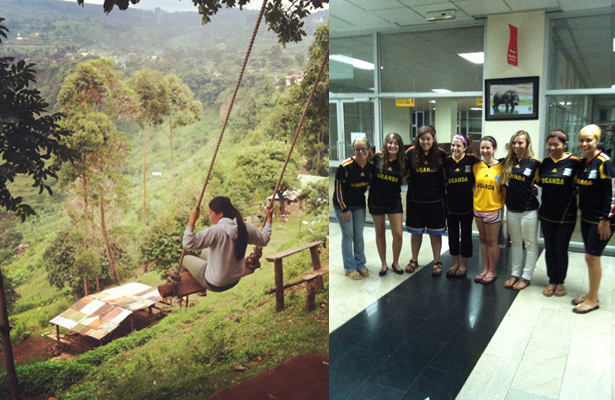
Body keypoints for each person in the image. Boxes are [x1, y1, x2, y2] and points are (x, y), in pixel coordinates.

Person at [181, 196, 273, 292]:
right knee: (204, 252)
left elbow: (188, 244)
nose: (210, 217)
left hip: (216, 283)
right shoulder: (245, 226)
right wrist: (269, 218)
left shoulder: (216, 231)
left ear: (220, 214)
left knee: (185, 259)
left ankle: (183, 291)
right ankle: (210, 273)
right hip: (235, 279)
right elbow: (264, 239)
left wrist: (192, 221)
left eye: (210, 214)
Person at [573, 124, 615, 314]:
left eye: (589, 140)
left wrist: (606, 219)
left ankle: (593, 299)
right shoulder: (584, 162)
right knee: (590, 257)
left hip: (602, 220)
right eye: (581, 140)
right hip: (587, 217)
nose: (584, 143)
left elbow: (612, 193)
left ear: (598, 140)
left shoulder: (604, 162)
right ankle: (592, 293)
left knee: (592, 256)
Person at [538, 130, 580, 297]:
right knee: (549, 248)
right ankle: (552, 281)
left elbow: (584, 182)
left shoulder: (574, 162)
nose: (553, 147)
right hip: (547, 213)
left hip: (566, 215)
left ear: (564, 145)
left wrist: (575, 189)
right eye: (550, 144)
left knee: (560, 249)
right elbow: (539, 181)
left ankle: (560, 282)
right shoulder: (545, 163)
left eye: (556, 144)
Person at [500, 131, 541, 291]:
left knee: (530, 244)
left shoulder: (535, 163)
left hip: (528, 210)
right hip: (511, 210)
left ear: (527, 144)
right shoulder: (507, 163)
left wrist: (535, 187)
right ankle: (515, 274)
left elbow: (544, 181)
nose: (517, 146)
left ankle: (526, 276)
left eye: (520, 143)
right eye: (514, 143)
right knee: (515, 243)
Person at [405, 125, 448, 276]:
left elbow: (446, 177)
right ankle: (414, 259)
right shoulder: (410, 153)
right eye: (422, 139)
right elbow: (405, 174)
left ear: (434, 139)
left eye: (428, 139)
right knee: (415, 233)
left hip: (435, 202)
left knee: (435, 234)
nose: (425, 142)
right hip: (415, 201)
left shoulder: (441, 154)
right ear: (418, 139)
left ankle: (437, 261)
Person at [332, 138, 375, 280]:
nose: (361, 152)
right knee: (348, 235)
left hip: (359, 205)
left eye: (364, 149)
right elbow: (338, 190)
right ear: (354, 151)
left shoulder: (370, 166)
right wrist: (344, 209)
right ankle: (350, 267)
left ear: (369, 150)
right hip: (343, 206)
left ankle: (361, 264)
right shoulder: (345, 166)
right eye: (357, 149)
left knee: (359, 235)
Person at [368, 132, 405, 276]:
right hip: (376, 201)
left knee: (398, 234)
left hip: (394, 202)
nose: (393, 146)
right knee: (380, 232)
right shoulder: (377, 158)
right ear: (385, 144)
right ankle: (383, 264)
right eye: (390, 143)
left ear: (399, 146)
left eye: (396, 143)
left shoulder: (403, 161)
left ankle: (395, 262)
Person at [443, 135, 478, 277]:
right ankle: (455, 262)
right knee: (452, 235)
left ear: (464, 147)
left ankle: (464, 263)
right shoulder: (446, 162)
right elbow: (443, 179)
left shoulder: (472, 160)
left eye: (458, 146)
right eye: (453, 145)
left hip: (467, 205)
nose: (455, 148)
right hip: (450, 205)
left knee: (466, 235)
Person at [473, 136, 505, 284]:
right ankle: (485, 269)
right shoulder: (476, 166)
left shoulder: (502, 167)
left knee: (492, 241)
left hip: (494, 208)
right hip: (478, 208)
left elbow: (505, 189)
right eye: (482, 148)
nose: (485, 151)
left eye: (488, 148)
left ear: (494, 149)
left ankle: (492, 271)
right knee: (483, 240)